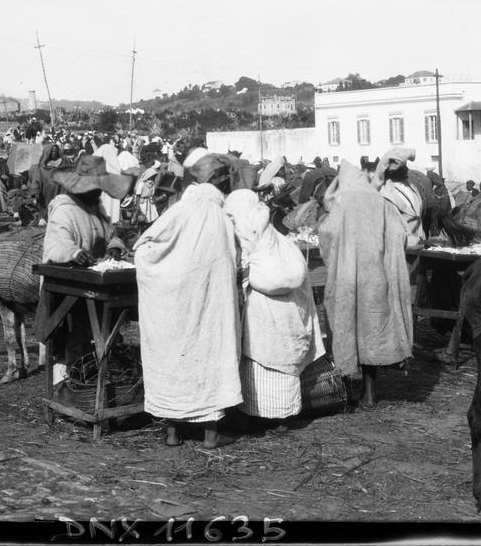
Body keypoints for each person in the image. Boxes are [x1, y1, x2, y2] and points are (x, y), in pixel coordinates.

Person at [134, 169, 241, 449]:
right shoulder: (222, 217)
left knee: (174, 357)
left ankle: (172, 432)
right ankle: (210, 434)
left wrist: (158, 269)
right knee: (208, 357)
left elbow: (145, 243)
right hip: (211, 303)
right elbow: (234, 258)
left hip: (175, 303)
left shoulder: (181, 209)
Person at [223, 189, 324, 425]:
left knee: (262, 366)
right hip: (289, 319)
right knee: (278, 371)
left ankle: (259, 416)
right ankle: (281, 418)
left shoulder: (248, 242)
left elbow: (259, 276)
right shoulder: (281, 242)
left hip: (263, 320)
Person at [318, 158, 413, 409]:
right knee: (371, 333)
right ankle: (369, 394)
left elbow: (327, 235)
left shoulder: (343, 204)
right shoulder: (382, 203)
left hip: (349, 278)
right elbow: (401, 236)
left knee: (347, 328)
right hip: (376, 278)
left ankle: (344, 387)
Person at [41, 154, 133, 398]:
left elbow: (109, 232)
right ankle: (64, 389)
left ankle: (91, 383)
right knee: (70, 335)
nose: (98, 195)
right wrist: (75, 253)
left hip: (94, 283)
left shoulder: (96, 210)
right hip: (66, 284)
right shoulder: (63, 210)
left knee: (96, 334)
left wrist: (114, 244)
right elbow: (56, 244)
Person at [372, 147, 425, 248]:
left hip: (419, 245)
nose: (407, 170)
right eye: (403, 168)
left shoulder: (410, 186)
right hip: (399, 250)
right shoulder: (385, 194)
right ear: (392, 171)